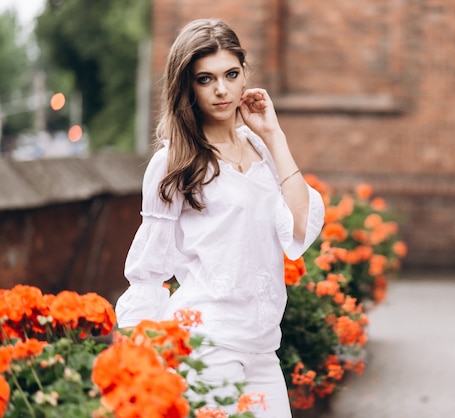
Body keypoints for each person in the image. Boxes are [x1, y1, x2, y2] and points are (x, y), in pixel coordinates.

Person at [114, 18, 325, 417]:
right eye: (205, 79)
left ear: (245, 72)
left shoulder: (262, 151)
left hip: (264, 346)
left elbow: (300, 226)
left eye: (231, 74)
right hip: (207, 343)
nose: (222, 89)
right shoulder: (172, 162)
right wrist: (138, 354)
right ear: (188, 87)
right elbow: (147, 271)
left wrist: (274, 136)